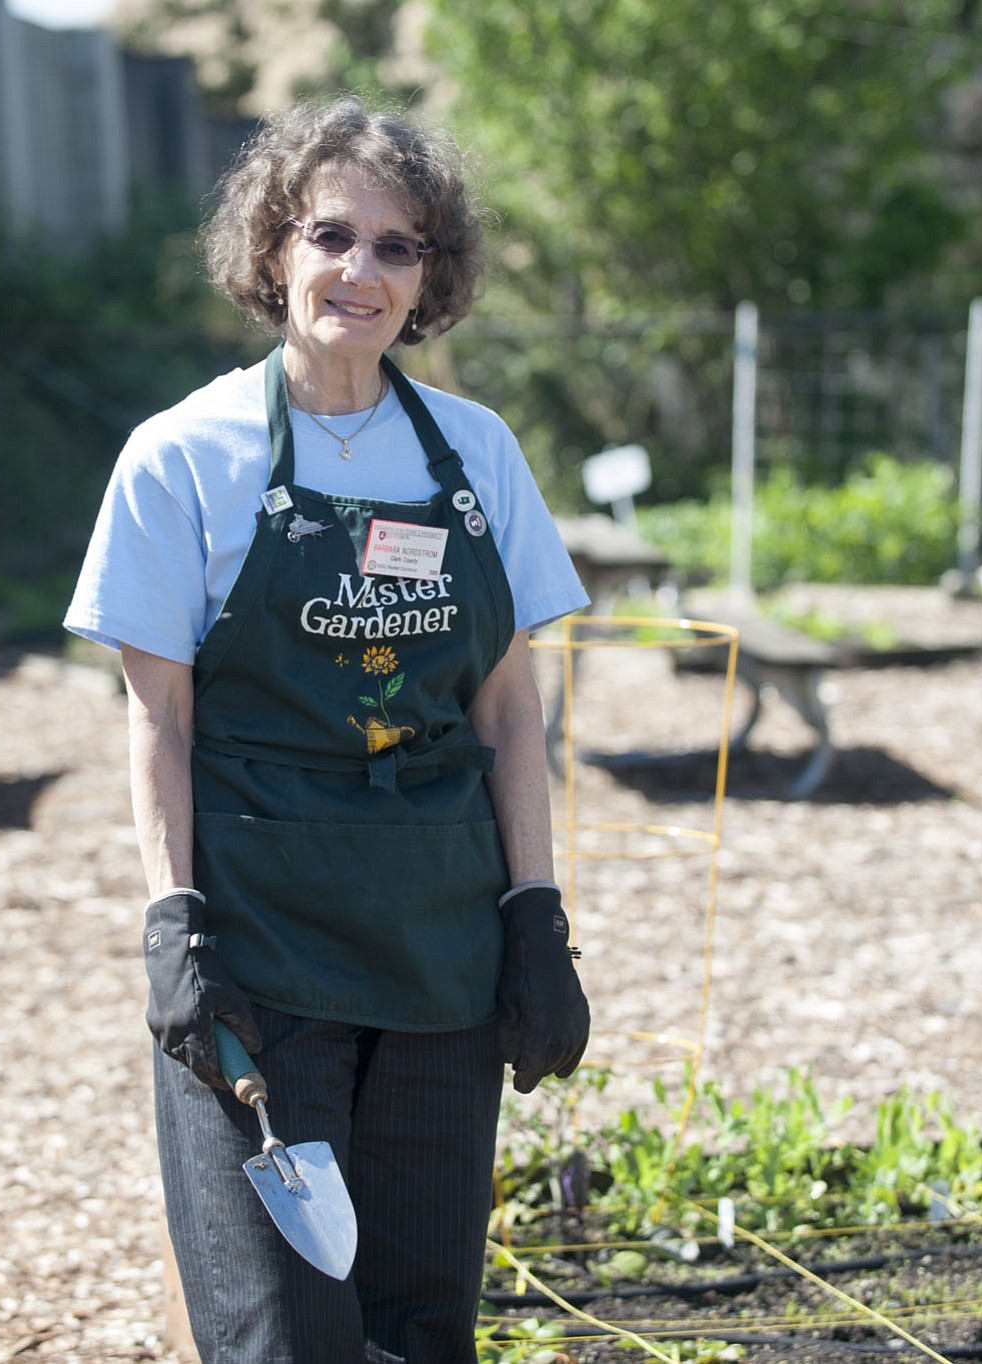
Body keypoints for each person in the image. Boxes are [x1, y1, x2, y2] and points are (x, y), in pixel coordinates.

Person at [65, 94, 592, 1364]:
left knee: (420, 1329)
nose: (358, 270)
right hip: (262, 957)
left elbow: (508, 704)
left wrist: (534, 913)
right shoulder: (180, 458)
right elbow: (160, 720)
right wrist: (170, 919)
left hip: (436, 952)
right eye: (329, 234)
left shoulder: (475, 455)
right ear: (272, 250)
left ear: (430, 276)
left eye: (396, 246)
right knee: (285, 1336)